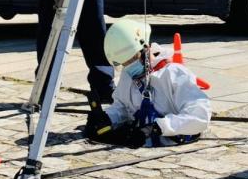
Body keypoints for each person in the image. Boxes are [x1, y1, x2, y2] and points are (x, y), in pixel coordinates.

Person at [84, 19, 211, 148]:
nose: (130, 66)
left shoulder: (174, 74)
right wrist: (107, 117)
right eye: (125, 63)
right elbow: (122, 107)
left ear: (146, 48)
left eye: (133, 58)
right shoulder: (128, 75)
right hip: (141, 141)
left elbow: (200, 117)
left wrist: (156, 128)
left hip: (174, 140)